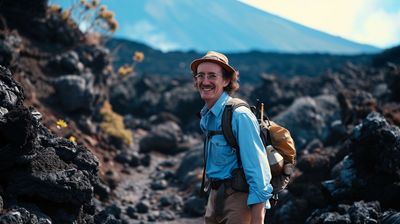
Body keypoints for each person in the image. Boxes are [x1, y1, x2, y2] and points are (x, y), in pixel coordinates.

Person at [190, 51, 273, 224]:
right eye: (200, 76)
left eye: (212, 76)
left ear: (227, 80)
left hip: (239, 201)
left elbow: (258, 170)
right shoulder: (208, 115)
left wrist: (258, 218)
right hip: (214, 197)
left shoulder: (239, 116)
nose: (205, 82)